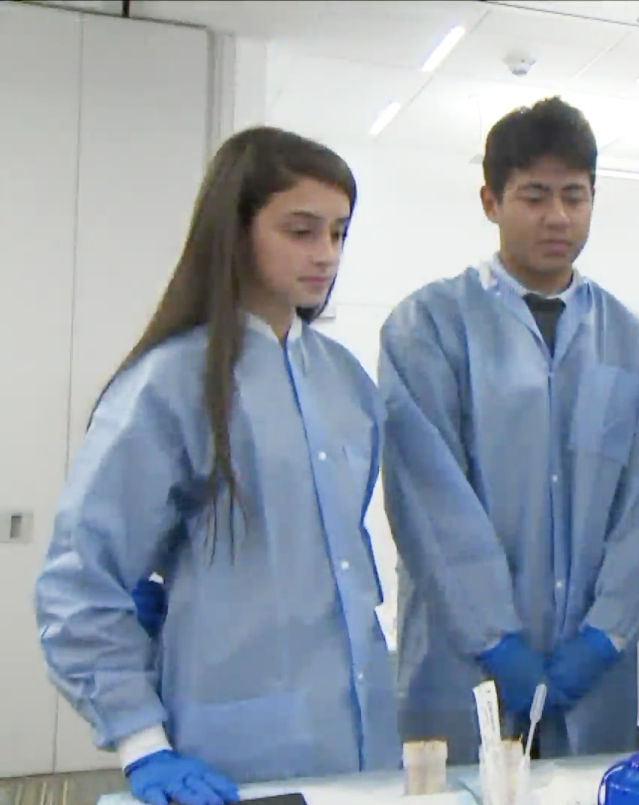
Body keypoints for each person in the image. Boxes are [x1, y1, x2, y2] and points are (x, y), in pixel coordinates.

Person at [33, 126, 401, 805]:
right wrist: (141, 742)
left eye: (338, 232)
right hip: (230, 741)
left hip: (357, 733)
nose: (326, 254)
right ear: (235, 230)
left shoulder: (345, 383)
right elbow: (79, 584)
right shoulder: (171, 382)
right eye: (300, 230)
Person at [380, 96, 639, 762]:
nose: (557, 217)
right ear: (490, 200)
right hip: (464, 660)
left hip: (593, 668)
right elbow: (429, 497)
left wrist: (604, 633)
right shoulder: (426, 326)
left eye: (575, 196)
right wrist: (494, 637)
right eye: (534, 196)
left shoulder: (632, 340)